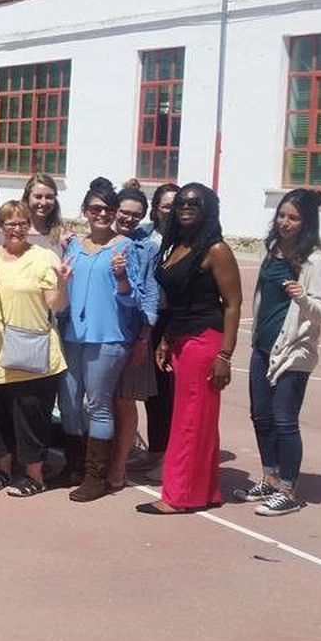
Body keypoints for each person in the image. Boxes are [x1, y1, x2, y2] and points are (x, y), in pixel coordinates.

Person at [139, 183, 242, 515]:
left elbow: (233, 304)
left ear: (208, 208)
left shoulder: (216, 250)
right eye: (181, 202)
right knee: (198, 420)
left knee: (189, 420)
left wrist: (225, 355)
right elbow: (179, 300)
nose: (185, 208)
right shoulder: (178, 245)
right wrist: (168, 338)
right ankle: (206, 490)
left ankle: (179, 496)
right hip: (181, 338)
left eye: (195, 203)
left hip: (205, 341)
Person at [238, 188, 321, 517]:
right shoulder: (274, 249)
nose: (285, 222)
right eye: (281, 215)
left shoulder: (314, 261)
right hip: (263, 345)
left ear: (306, 223)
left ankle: (289, 489)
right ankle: (270, 477)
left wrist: (303, 297)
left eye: (293, 218)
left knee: (284, 420)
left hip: (293, 351)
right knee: (260, 416)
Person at [0, 201, 68, 499]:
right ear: (0, 227)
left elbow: (56, 305)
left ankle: (34, 476)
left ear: (29, 226)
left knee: (31, 417)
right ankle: (2, 469)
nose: (16, 229)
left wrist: (62, 284)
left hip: (33, 352)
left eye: (22, 223)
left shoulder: (44, 257)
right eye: (10, 224)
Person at [58, 179, 141, 502]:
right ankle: (73, 466)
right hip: (73, 334)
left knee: (98, 404)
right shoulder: (74, 245)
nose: (102, 214)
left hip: (107, 337)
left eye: (108, 208)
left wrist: (121, 278)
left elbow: (132, 298)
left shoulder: (125, 247)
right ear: (85, 211)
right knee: (68, 400)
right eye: (96, 208)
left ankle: (96, 476)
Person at [109, 182, 161, 490]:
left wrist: (144, 336)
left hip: (133, 332)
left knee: (125, 400)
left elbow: (151, 293)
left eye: (136, 215)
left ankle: (119, 464)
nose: (129, 219)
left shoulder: (147, 248)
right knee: (103, 400)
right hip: (102, 332)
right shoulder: (98, 240)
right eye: (124, 212)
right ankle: (106, 457)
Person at [139, 182, 181, 481]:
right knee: (151, 391)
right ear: (156, 208)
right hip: (145, 319)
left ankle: (168, 455)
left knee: (168, 390)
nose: (172, 211)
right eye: (167, 205)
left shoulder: (186, 240)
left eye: (177, 205)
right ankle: (155, 451)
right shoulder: (144, 235)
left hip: (172, 319)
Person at [24, 173, 69, 257]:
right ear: (27, 198)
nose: (43, 202)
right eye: (38, 197)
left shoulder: (63, 236)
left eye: (49, 197)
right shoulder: (15, 232)